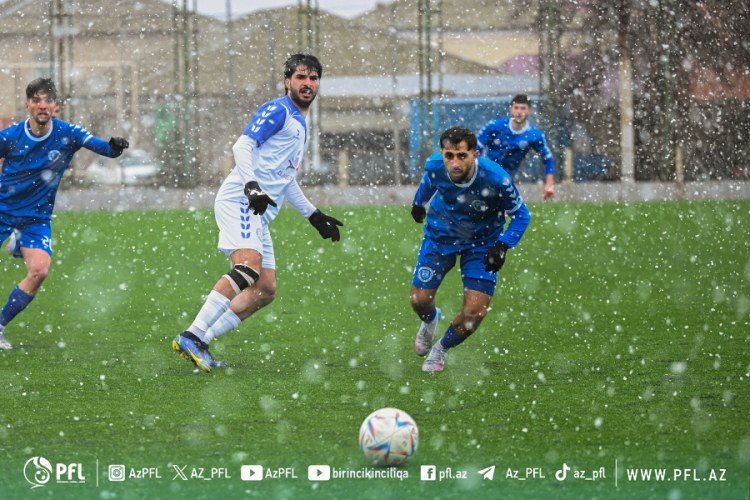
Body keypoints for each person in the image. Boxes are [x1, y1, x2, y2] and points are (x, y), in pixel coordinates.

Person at [172, 54, 343, 372]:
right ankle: (191, 336)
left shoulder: (300, 124)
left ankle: (200, 341)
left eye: (314, 77)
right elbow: (242, 146)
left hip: (258, 210)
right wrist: (252, 186)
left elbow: (285, 178)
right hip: (241, 201)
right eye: (301, 77)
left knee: (264, 290)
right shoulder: (278, 110)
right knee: (247, 269)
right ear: (287, 81)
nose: (307, 83)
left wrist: (314, 216)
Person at [0, 78, 129, 350]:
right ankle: (15, 242)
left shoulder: (67, 133)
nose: (42, 106)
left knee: (39, 271)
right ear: (28, 105)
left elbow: (104, 149)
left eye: (48, 100)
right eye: (36, 100)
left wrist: (115, 147)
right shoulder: (10, 137)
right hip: (3, 212)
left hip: (36, 219)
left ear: (56, 107)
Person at [410, 126, 531, 372]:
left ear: (475, 154)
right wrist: (418, 203)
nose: (454, 163)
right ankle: (431, 320)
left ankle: (440, 350)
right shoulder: (434, 166)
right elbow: (429, 182)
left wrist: (502, 245)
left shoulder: (497, 178)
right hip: (440, 237)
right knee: (419, 301)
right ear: (442, 154)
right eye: (449, 156)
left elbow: (521, 215)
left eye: (462, 156)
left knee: (474, 313)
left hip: (482, 243)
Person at [477, 94, 555, 200]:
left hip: (507, 179)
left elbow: (548, 158)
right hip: (486, 173)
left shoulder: (534, 135)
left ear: (529, 111)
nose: (519, 111)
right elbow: (475, 149)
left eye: (523, 108)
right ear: (511, 109)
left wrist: (549, 184)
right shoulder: (494, 126)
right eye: (516, 107)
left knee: (508, 211)